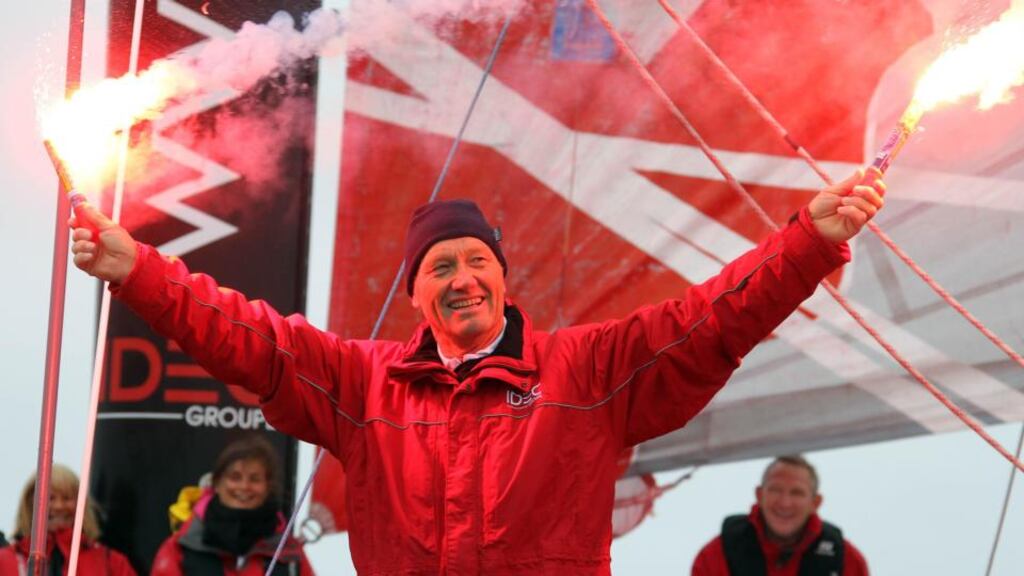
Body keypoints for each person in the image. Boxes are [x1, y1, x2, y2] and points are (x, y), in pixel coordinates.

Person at [70, 168, 884, 575]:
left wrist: (806, 244)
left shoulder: (586, 368)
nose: (461, 277)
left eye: (475, 260)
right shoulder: (364, 382)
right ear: (418, 294)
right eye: (439, 268)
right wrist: (137, 269)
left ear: (500, 275)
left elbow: (711, 319)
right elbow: (248, 337)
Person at [150, 436, 314, 576]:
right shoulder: (180, 548)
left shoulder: (290, 554)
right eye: (235, 477)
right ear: (217, 484)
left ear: (267, 487)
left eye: (255, 479)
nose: (244, 487)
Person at [691, 455, 869, 576]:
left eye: (797, 493)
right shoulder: (716, 556)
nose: (785, 502)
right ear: (759, 495)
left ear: (815, 502)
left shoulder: (848, 562)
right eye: (776, 490)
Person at [0, 464, 136, 575]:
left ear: (81, 504)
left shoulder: (111, 562)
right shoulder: (4, 561)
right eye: (51, 498)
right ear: (30, 503)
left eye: (66, 498)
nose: (59, 506)